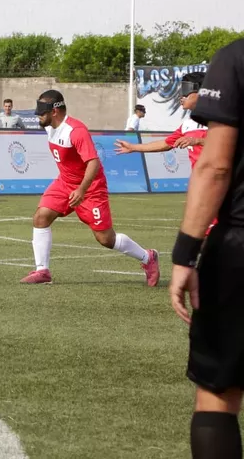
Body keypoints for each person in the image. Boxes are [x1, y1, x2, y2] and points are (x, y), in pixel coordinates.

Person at [167, 41, 244, 458]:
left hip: (238, 248)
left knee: (219, 394)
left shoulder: (235, 58)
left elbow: (215, 165)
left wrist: (185, 254)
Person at [20, 89, 159, 286]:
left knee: (105, 239)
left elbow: (93, 162)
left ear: (55, 111)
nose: (37, 116)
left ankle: (148, 257)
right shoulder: (50, 126)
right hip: (65, 182)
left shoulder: (76, 131)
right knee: (41, 217)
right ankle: (42, 271)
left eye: (41, 112)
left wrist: (82, 190)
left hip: (90, 187)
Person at [115, 72, 208, 168]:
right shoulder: (187, 125)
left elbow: (223, 145)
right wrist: (133, 147)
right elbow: (165, 144)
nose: (181, 96)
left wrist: (198, 141)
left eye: (186, 90)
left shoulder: (219, 120)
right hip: (200, 180)